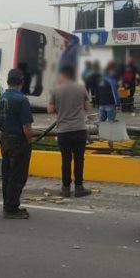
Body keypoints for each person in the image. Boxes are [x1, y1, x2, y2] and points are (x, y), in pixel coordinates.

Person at [48, 65, 92, 198]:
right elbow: (87, 107)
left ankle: (66, 188)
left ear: (63, 75)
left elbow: (50, 110)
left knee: (66, 160)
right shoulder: (81, 88)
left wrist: (60, 109)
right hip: (79, 129)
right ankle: (79, 187)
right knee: (79, 159)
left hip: (64, 130)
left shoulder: (55, 90)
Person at [0, 69, 35, 220]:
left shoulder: (0, 99)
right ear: (21, 82)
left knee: (7, 174)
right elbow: (27, 126)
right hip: (18, 140)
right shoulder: (22, 100)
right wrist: (29, 141)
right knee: (18, 175)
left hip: (4, 139)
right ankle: (12, 208)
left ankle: (8, 203)